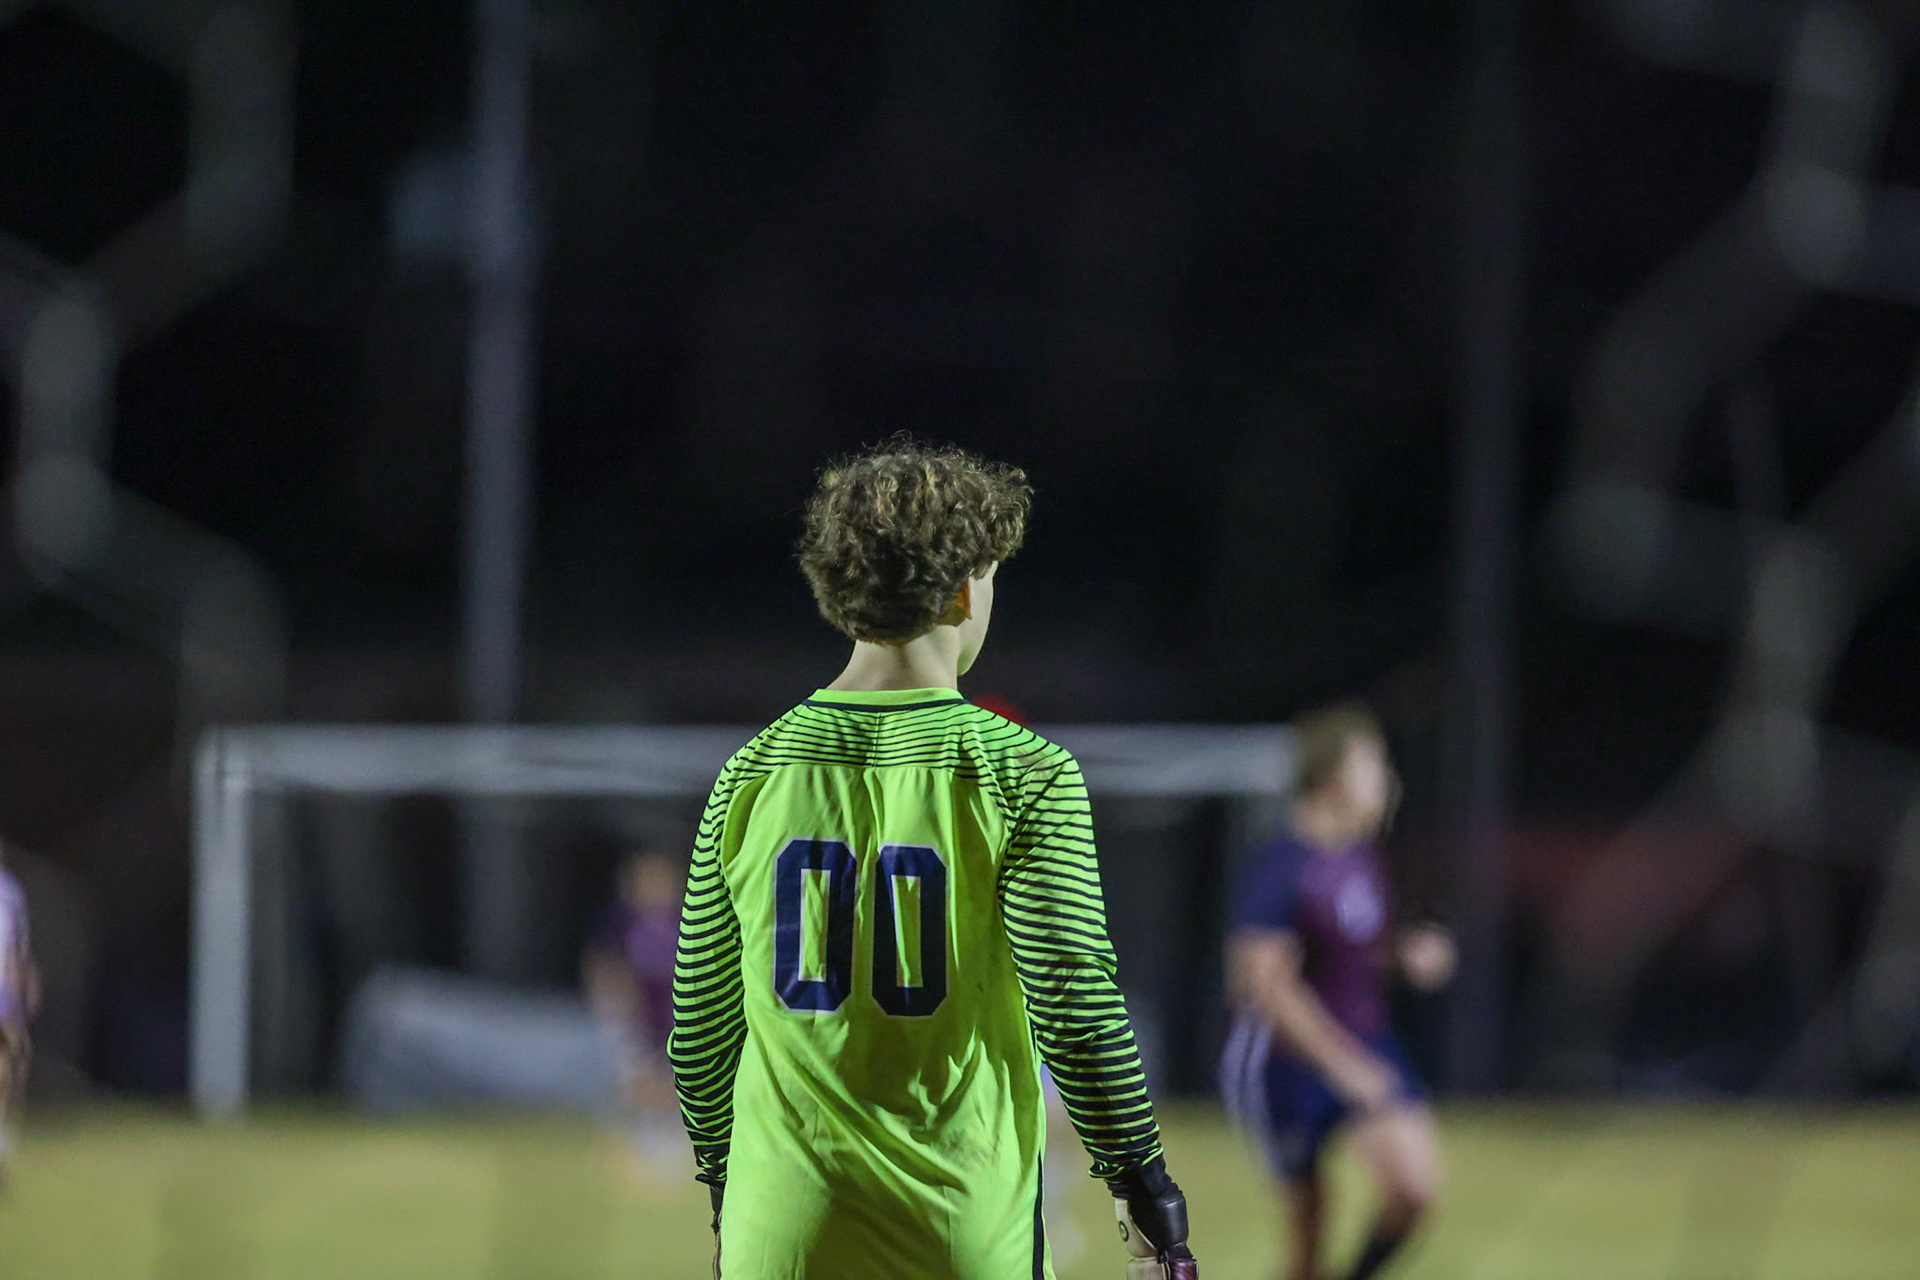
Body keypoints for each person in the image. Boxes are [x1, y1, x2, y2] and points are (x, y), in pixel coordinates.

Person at [669, 440, 1198, 1280]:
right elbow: (1076, 1006)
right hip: (961, 1232)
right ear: (963, 589)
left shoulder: (750, 776)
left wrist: (732, 1195)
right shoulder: (1023, 774)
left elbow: (699, 1035)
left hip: (783, 1236)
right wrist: (1148, 1199)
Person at [1220, 703, 1453, 1280]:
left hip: (1364, 1040)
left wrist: (1404, 954)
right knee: (1306, 1246)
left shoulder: (1359, 857)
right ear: (1334, 778)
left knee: (1414, 1186)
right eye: (1374, 766)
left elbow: (1351, 946)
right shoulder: (1282, 865)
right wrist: (1343, 1067)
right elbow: (1261, 984)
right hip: (1288, 1065)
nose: (1388, 782)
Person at [583, 847, 687, 1160]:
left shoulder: (685, 920)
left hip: (676, 1020)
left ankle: (672, 1142)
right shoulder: (622, 923)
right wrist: (613, 1006)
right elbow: (603, 964)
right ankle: (637, 1138)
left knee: (676, 1082)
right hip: (637, 1019)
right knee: (639, 1077)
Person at [0, 850, 37, 1187]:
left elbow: (18, 948)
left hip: (3, 998)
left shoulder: (9, 891)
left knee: (5, 1077)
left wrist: (28, 984)